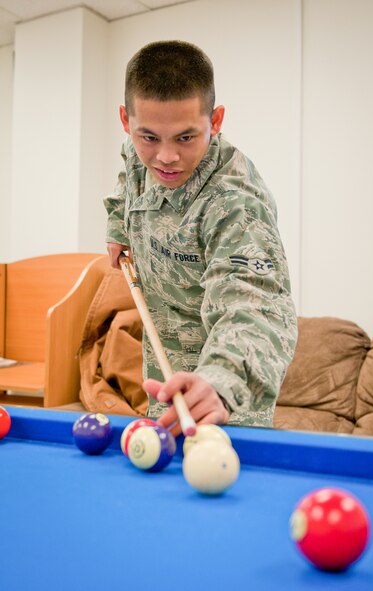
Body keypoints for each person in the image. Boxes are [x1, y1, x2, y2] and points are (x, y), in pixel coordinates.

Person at [104, 40, 297, 435]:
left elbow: (255, 305)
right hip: (163, 378)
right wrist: (118, 227)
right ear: (127, 120)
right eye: (149, 137)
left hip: (218, 401)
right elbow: (129, 171)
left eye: (186, 138)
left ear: (216, 119)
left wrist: (221, 382)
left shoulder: (236, 203)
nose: (166, 157)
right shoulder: (139, 145)